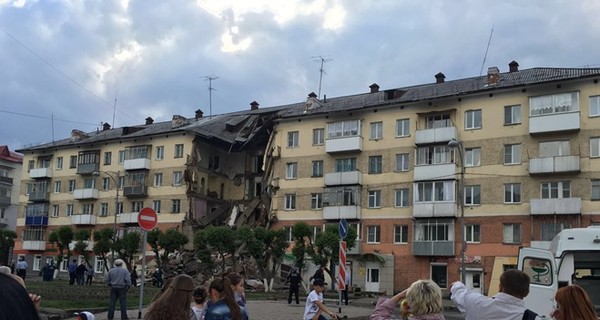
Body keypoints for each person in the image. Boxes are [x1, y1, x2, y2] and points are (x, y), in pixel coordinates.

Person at [451, 269, 533, 320]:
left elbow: (460, 294)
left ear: (500, 287)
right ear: (527, 292)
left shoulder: (478, 303)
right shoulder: (531, 318)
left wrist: (456, 285)